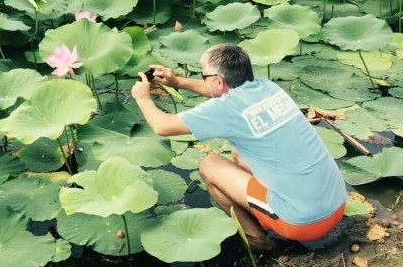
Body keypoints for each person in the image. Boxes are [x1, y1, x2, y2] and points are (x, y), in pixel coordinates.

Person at [131, 43, 347, 252]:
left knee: (209, 165)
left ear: (217, 81)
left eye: (203, 75)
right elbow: (219, 91)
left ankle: (257, 241)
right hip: (337, 204)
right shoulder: (268, 88)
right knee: (239, 152)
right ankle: (263, 215)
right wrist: (177, 82)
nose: (202, 78)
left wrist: (142, 97)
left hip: (304, 223)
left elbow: (162, 126)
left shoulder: (227, 110)